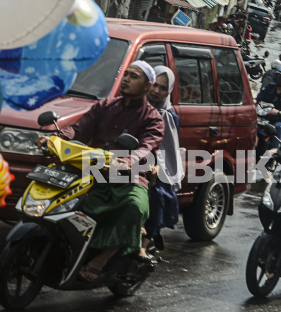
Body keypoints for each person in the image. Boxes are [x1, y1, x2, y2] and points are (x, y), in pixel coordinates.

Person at [36, 61, 164, 281]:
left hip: (131, 177)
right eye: (126, 74)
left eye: (134, 76)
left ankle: (102, 258)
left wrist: (128, 160)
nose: (127, 79)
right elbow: (78, 128)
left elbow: (146, 147)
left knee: (133, 206)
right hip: (95, 170)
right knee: (71, 202)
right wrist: (56, 138)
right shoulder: (104, 106)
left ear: (147, 86)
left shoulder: (153, 118)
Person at [142, 66, 182, 256]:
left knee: (156, 195)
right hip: (130, 161)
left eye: (163, 88)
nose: (156, 91)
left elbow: (167, 149)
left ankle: (144, 244)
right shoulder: (135, 106)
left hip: (156, 167)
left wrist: (157, 168)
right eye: (154, 85)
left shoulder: (167, 115)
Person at [255, 64, 281, 149]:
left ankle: (275, 150)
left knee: (279, 127)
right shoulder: (269, 87)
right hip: (263, 117)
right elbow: (258, 98)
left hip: (277, 118)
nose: (279, 77)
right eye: (278, 75)